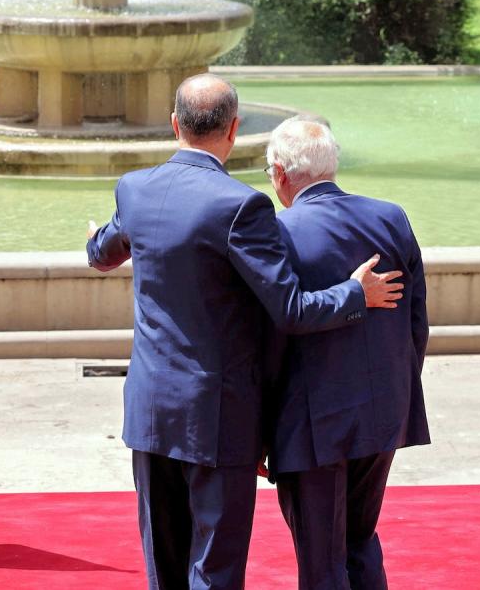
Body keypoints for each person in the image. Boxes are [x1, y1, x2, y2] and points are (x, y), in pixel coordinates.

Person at [86, 74, 404, 590]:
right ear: (234, 129)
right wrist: (354, 294)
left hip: (149, 411)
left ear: (174, 124)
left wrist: (97, 239)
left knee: (163, 565)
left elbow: (102, 252)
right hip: (218, 418)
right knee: (213, 570)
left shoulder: (135, 188)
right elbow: (292, 310)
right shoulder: (241, 206)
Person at [263, 118, 430, 590]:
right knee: (360, 538)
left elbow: (272, 339)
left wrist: (262, 429)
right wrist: (399, 393)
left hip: (310, 425)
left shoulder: (279, 232)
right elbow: (417, 323)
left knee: (321, 559)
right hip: (382, 414)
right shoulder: (390, 217)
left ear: (279, 173)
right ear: (332, 166)